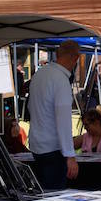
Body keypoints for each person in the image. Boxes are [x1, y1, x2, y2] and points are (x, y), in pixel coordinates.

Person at [28, 40, 79, 189]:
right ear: (75, 58)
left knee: (44, 194)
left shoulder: (40, 74)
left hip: (38, 145)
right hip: (53, 148)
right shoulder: (60, 80)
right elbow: (63, 120)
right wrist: (70, 155)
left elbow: (31, 108)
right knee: (54, 197)